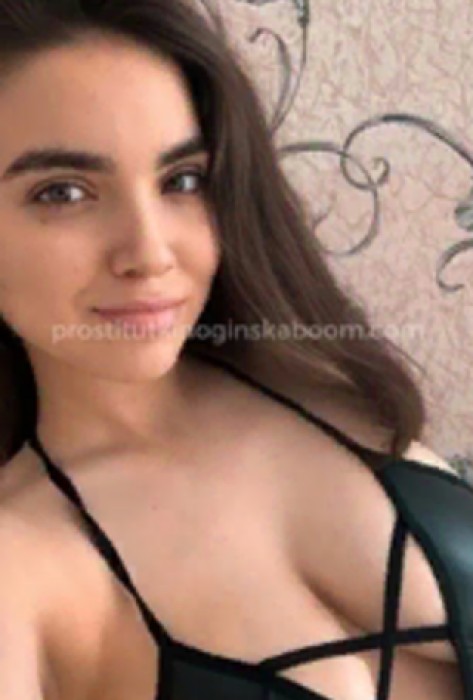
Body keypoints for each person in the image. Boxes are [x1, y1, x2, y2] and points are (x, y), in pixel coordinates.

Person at [0, 1, 469, 699]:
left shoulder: (317, 376)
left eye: (182, 180)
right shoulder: (22, 564)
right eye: (63, 193)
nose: (150, 253)